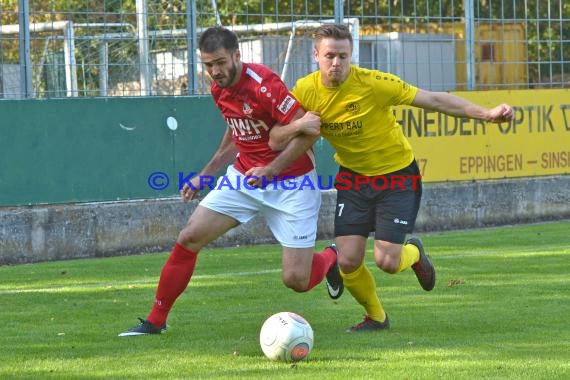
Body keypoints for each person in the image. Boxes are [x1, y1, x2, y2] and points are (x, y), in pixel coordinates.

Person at [270, 24, 515, 332]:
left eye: (343, 56)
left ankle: (414, 253)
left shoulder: (374, 84)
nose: (336, 63)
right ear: (316, 55)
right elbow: (277, 134)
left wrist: (487, 114)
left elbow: (434, 100)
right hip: (354, 179)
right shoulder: (305, 90)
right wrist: (297, 127)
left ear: (351, 55)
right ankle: (376, 318)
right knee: (348, 262)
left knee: (387, 262)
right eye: (330, 55)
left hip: (397, 176)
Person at [118, 26, 343, 336]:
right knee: (190, 237)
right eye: (208, 64)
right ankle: (156, 320)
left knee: (297, 281)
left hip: (292, 184)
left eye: (221, 62)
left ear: (238, 55)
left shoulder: (265, 85)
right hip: (244, 178)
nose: (215, 71)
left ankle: (332, 257)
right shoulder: (218, 88)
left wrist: (272, 170)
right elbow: (238, 130)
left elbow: (310, 132)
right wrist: (205, 175)